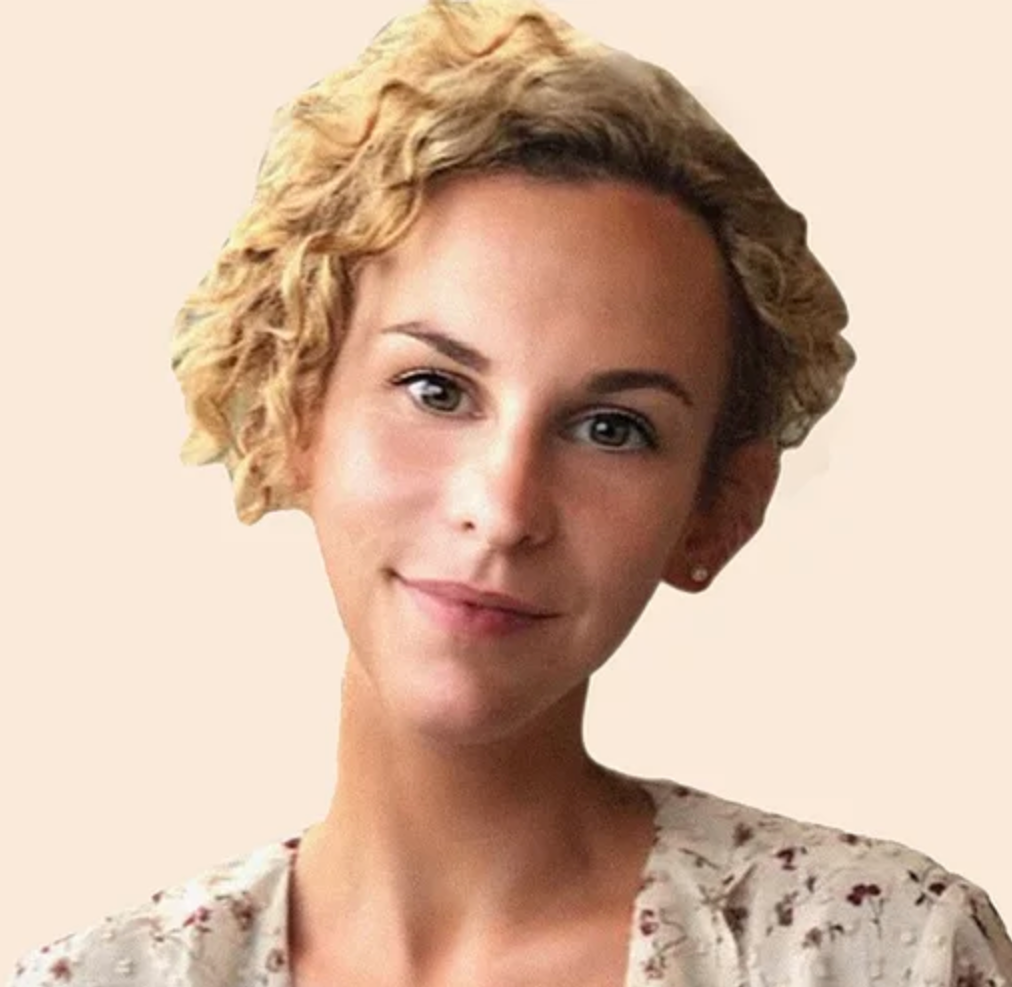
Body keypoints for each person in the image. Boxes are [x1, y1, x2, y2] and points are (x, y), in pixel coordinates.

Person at [9, 1, 1010, 985]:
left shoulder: (877, 952)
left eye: (611, 428)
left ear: (718, 509)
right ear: (294, 406)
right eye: (435, 389)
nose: (503, 509)